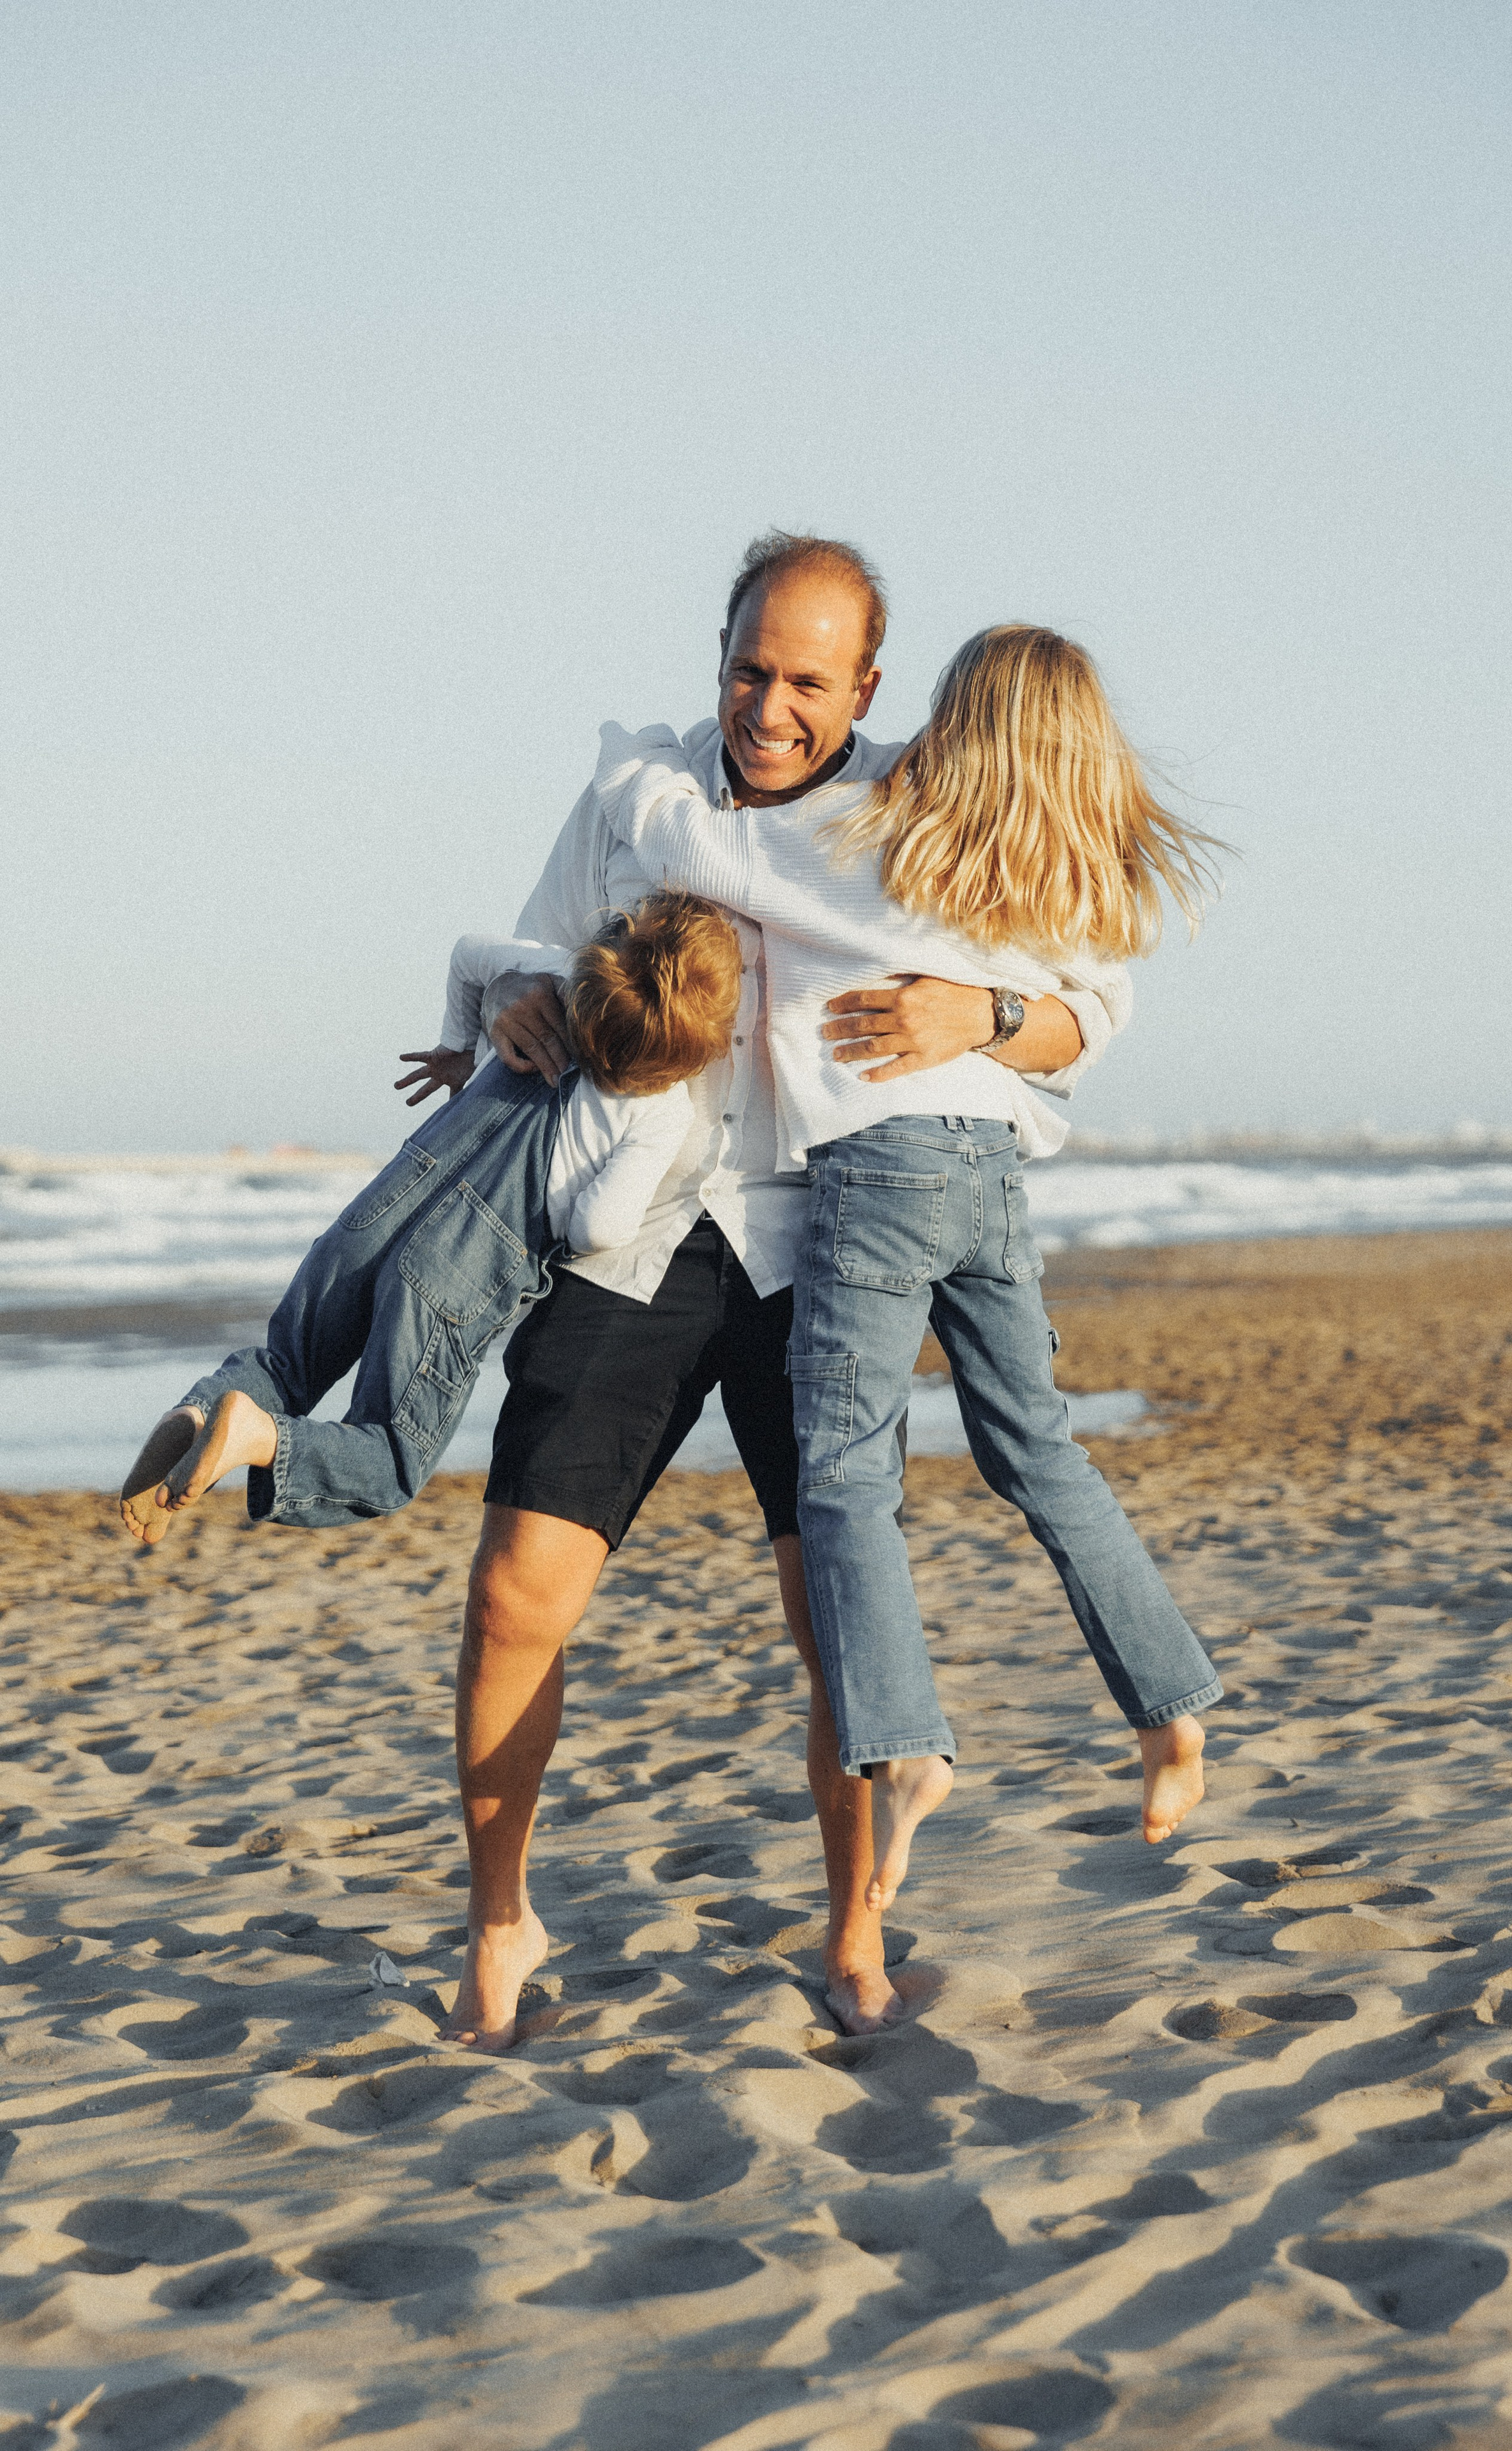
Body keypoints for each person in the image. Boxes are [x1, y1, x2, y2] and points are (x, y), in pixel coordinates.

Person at [443, 534, 1134, 2047]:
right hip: (632, 1233)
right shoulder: (639, 798)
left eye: (807, 683)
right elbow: (535, 955)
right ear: (721, 653)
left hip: (824, 1246)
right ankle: (500, 1916)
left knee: (834, 1609)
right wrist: (513, 1003)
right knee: (512, 1596)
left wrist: (987, 1006)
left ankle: (855, 1926)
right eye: (748, 668)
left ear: (864, 688)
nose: (770, 706)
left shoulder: (910, 814)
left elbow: (1088, 999)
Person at [589, 623, 1225, 1911]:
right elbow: (1094, 1010)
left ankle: (903, 1748)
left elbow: (686, 842)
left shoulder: (862, 844)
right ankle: (1166, 1714)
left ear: (950, 720)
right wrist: (997, 1015)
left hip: (875, 1172)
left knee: (842, 1475)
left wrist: (634, 764)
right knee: (1034, 1448)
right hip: (990, 1173)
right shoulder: (1056, 876)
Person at [116, 892, 742, 1534]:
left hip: (386, 1208)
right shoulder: (662, 1109)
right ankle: (258, 1437)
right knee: (391, 1454)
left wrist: (457, 1048)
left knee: (287, 1361)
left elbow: (470, 954)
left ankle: (198, 1415)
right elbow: (598, 1228)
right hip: (460, 1270)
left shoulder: (558, 982)